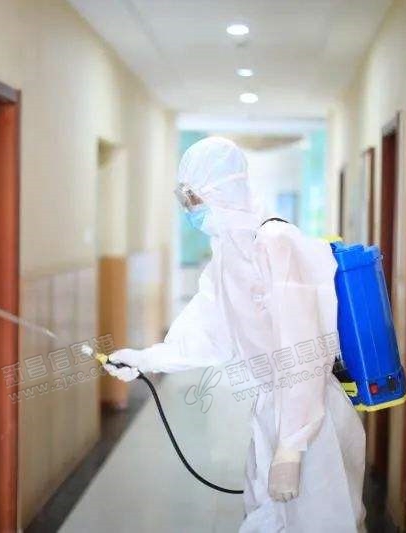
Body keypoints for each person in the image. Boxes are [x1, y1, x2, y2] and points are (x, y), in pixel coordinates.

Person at [105, 137, 366, 532]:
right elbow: (209, 331)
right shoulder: (228, 252)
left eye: (195, 199)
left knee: (321, 522)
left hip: (312, 423)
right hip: (271, 413)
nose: (191, 211)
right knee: (266, 518)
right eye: (186, 201)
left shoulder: (276, 242)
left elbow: (304, 349)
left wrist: (292, 445)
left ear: (221, 191)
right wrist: (145, 359)